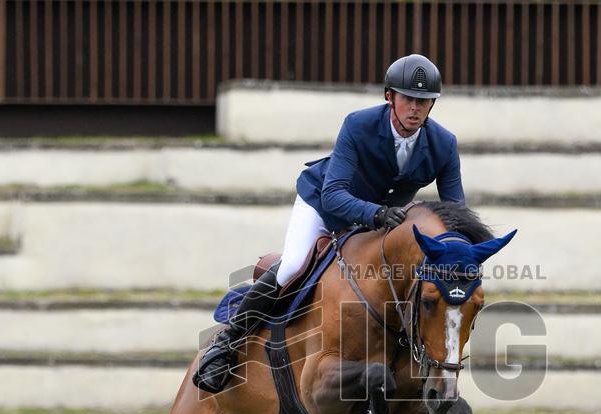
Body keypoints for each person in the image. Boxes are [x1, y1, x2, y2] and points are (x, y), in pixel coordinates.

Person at [194, 53, 465, 393]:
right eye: (408, 98)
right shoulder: (359, 125)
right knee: (292, 265)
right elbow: (333, 195)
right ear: (389, 97)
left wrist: (459, 253)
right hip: (325, 206)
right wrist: (378, 214)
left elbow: (456, 212)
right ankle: (228, 343)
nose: (415, 108)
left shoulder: (443, 143)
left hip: (377, 224)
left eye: (424, 101)